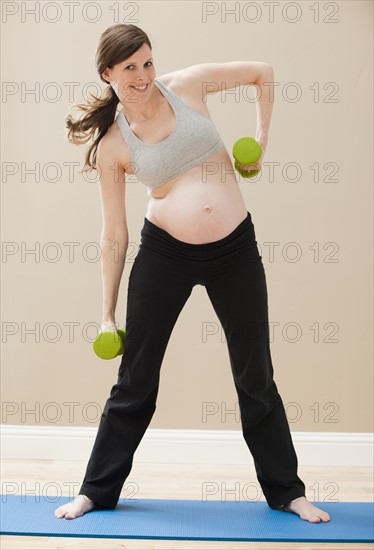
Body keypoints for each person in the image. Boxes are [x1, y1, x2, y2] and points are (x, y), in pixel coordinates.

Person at [54, 23, 331, 524]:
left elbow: (262, 73)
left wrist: (262, 141)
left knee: (256, 376)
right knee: (135, 378)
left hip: (235, 251)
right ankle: (95, 490)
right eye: (130, 67)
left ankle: (288, 492)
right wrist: (105, 313)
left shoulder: (187, 85)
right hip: (164, 255)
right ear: (108, 74)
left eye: (147, 62)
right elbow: (113, 235)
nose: (142, 75)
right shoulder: (114, 146)